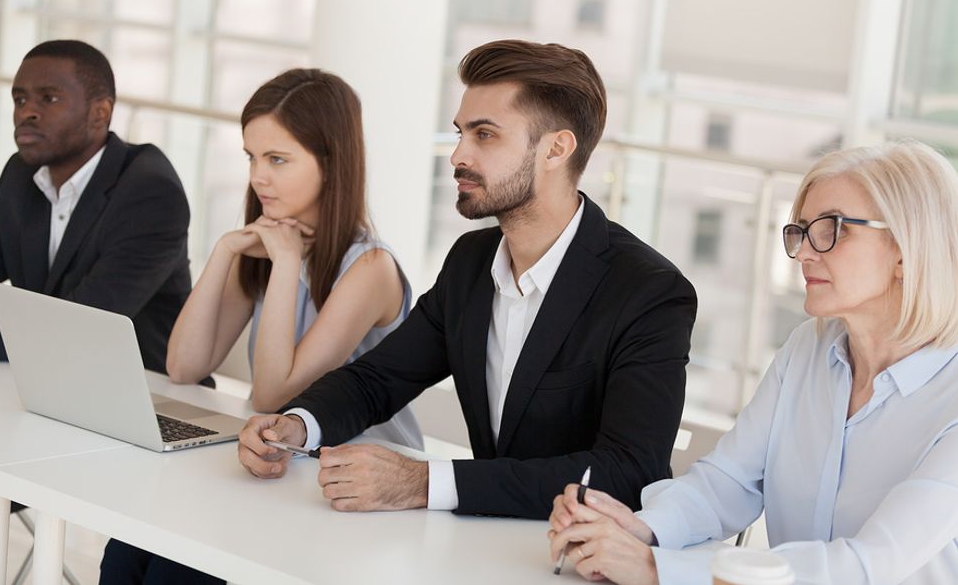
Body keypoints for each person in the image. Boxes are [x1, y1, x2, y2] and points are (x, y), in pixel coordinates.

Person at [237, 39, 697, 520]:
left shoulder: (649, 293)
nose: (458, 155)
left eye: (485, 135)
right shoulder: (471, 262)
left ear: (556, 149)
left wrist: (422, 482)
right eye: (460, 133)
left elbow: (629, 472)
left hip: (582, 559)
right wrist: (295, 426)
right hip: (478, 545)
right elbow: (379, 379)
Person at [548, 141, 958, 584]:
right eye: (800, 230)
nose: (803, 253)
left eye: (832, 229)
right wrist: (643, 527)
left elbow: (869, 565)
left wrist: (655, 569)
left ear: (904, 250)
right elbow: (731, 480)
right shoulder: (809, 349)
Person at [100, 68, 423, 584]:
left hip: (354, 486)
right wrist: (226, 249)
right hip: (279, 468)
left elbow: (276, 394)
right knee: (128, 547)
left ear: (331, 164)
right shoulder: (269, 246)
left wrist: (288, 265)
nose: (258, 177)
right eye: (252, 157)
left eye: (278, 159)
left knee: (177, 571)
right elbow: (184, 365)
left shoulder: (369, 269)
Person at [0, 39, 191, 519]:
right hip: (45, 397)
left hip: (136, 409)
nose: (26, 113)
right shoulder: (22, 176)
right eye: (19, 99)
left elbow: (74, 325)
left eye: (48, 98)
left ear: (100, 113)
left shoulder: (149, 190)